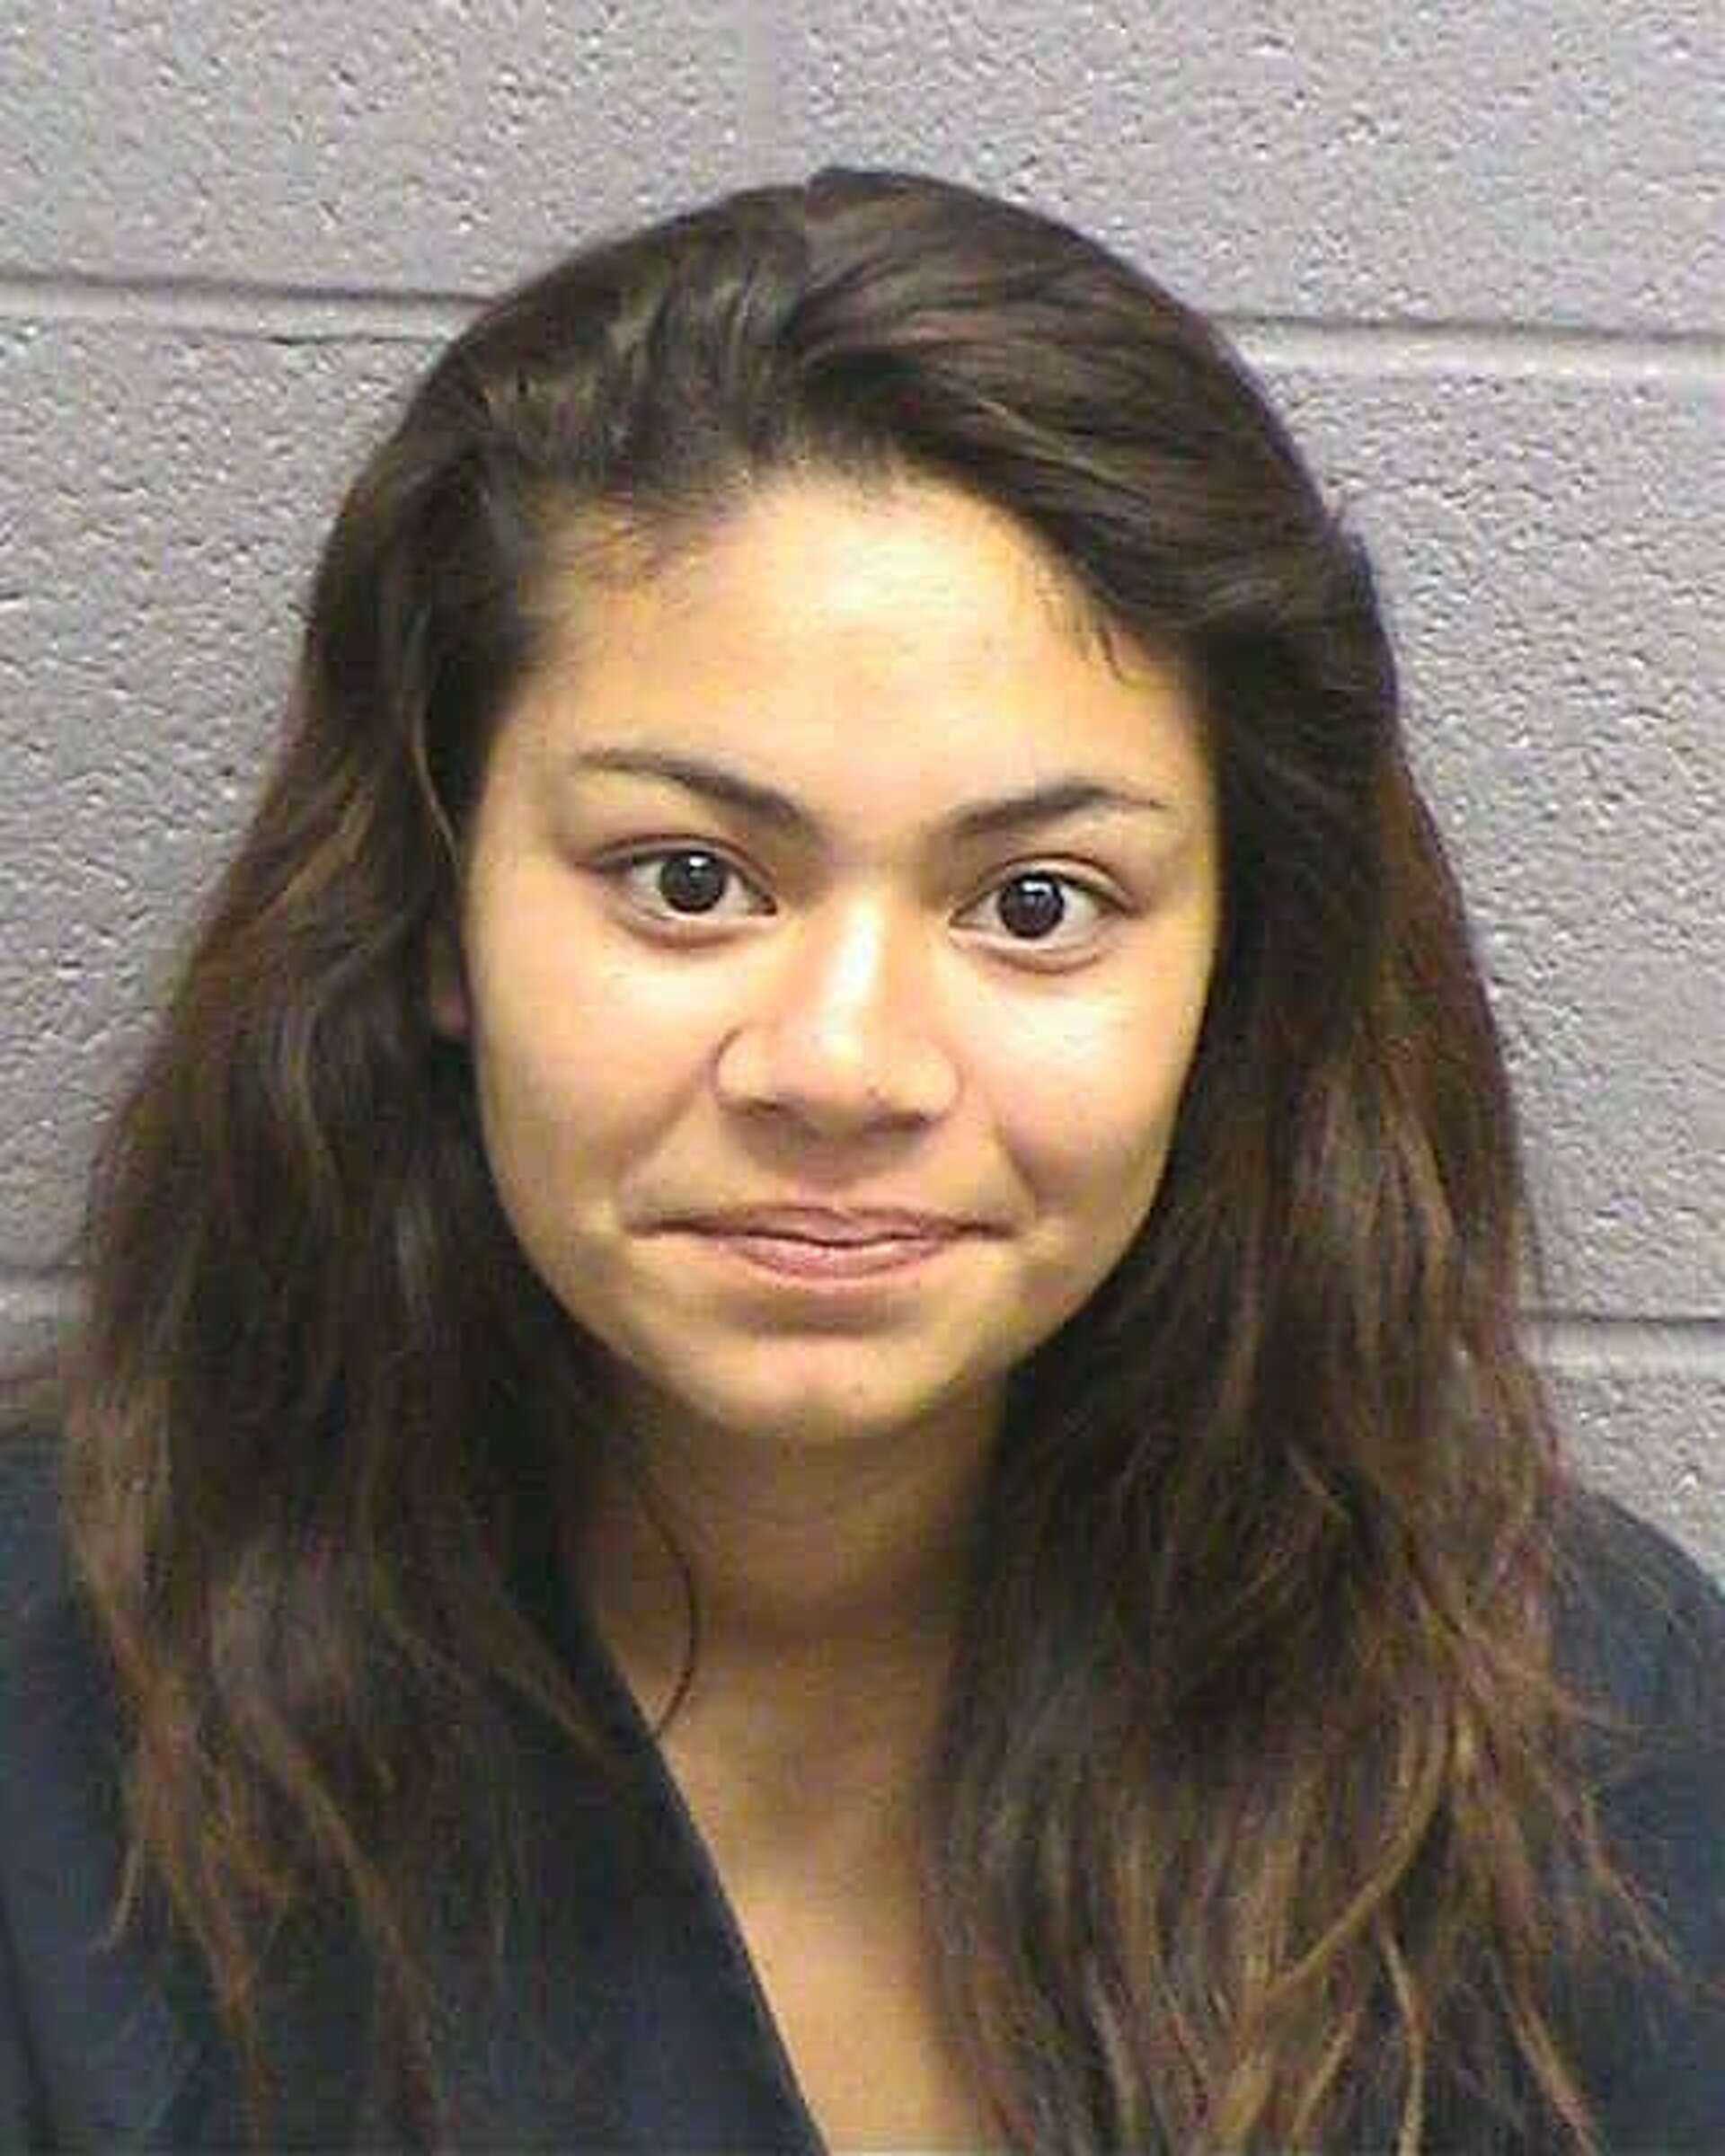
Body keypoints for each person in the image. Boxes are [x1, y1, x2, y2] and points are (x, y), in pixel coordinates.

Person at [1, 167, 1721, 2154]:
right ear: (435, 911)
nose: (842, 1067)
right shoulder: (48, 1725)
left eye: (1040, 905)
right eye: (689, 880)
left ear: (1237, 974)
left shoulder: (1585, 1732)